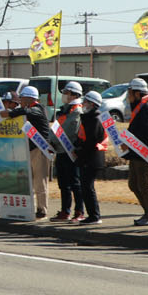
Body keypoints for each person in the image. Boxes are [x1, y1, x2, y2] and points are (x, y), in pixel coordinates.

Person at [9, 86, 51, 219]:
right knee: (29, 181)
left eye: (22, 98)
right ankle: (30, 207)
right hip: (30, 148)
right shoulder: (29, 110)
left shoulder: (38, 109)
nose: (20, 101)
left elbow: (27, 111)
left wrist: (10, 113)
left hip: (40, 148)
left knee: (40, 180)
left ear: (29, 98)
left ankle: (42, 209)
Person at [123, 78, 148, 226]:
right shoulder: (139, 106)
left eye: (130, 93)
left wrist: (132, 144)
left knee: (144, 185)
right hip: (135, 153)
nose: (128, 96)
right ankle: (147, 212)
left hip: (143, 154)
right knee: (133, 184)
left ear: (137, 93)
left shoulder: (147, 108)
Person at [50, 81, 84, 222]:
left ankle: (79, 211)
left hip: (71, 152)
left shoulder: (77, 111)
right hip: (60, 151)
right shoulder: (64, 110)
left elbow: (71, 132)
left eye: (66, 93)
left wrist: (55, 140)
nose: (64, 95)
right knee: (63, 184)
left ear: (74, 95)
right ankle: (65, 211)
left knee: (75, 183)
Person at [73, 91, 107, 224]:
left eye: (86, 101)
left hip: (91, 159)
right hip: (87, 158)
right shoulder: (88, 118)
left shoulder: (94, 120)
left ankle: (94, 215)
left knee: (88, 187)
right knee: (86, 187)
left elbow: (91, 142)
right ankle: (92, 215)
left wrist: (79, 151)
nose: (83, 104)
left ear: (92, 104)